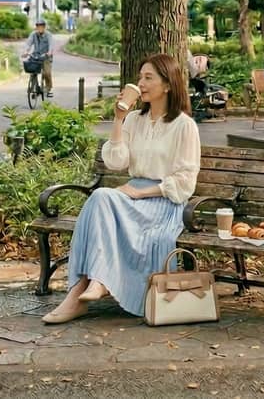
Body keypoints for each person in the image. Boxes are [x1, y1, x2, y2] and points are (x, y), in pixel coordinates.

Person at [41, 54, 201, 324]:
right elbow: (116, 162)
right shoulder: (134, 120)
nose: (141, 83)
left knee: (103, 198)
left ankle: (84, 290)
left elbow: (185, 181)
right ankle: (92, 284)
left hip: (162, 202)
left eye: (149, 78)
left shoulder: (184, 126)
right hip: (130, 197)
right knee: (102, 197)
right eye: (140, 77)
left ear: (168, 85)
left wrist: (141, 192)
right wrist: (118, 119)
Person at [23, 18, 54, 98]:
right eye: (38, 26)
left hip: (45, 56)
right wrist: (26, 51)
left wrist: (49, 52)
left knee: (46, 73)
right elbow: (28, 43)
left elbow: (51, 45)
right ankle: (34, 87)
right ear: (36, 27)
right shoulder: (33, 34)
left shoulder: (48, 35)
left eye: (41, 26)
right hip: (36, 55)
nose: (39, 28)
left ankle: (48, 87)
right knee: (32, 69)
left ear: (44, 27)